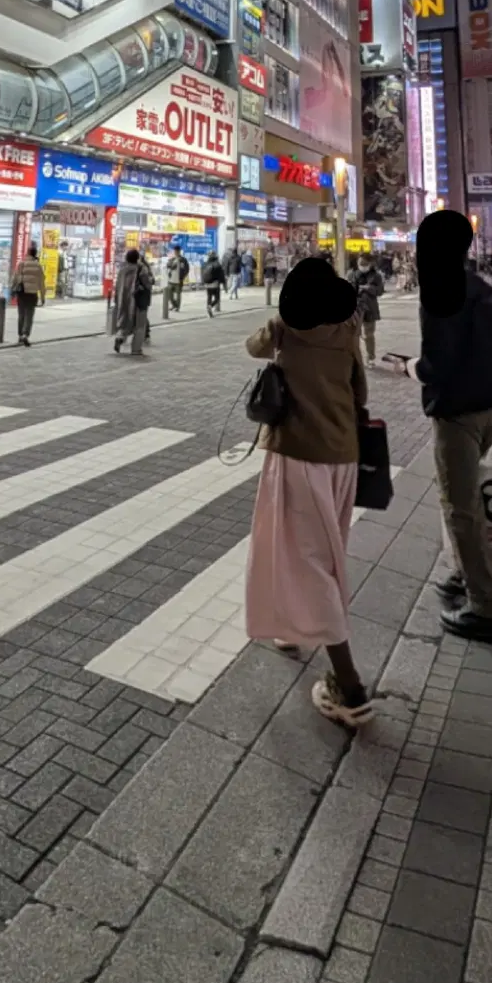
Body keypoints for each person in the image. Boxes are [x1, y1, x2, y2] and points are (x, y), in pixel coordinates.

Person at [243, 256, 373, 728]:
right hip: (343, 456)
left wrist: (281, 323)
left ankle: (349, 685)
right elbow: (360, 391)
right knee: (318, 551)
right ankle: (290, 626)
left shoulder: (285, 327)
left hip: (297, 455)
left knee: (303, 557)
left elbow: (251, 346)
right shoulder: (346, 329)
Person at [416, 209, 492, 645]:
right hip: (491, 409)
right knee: (466, 499)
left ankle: (486, 609)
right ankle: (463, 574)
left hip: (458, 414)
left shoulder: (440, 292)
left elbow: (437, 364)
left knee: (461, 510)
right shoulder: (481, 287)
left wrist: (411, 368)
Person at [113, 247, 153, 356]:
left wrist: (116, 299)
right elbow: (148, 284)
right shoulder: (140, 269)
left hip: (123, 300)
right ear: (137, 258)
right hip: (137, 300)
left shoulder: (122, 270)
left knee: (124, 322)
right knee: (139, 325)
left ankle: (120, 337)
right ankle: (136, 349)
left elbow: (117, 287)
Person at [10, 244, 45, 345]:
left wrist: (13, 290)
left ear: (28, 253)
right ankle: (26, 334)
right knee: (29, 315)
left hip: (22, 292)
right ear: (35, 254)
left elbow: (15, 278)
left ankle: (20, 335)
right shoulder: (38, 266)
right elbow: (41, 282)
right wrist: (42, 297)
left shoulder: (22, 264)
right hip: (32, 294)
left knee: (21, 314)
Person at [355, 258, 384, 365]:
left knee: (369, 335)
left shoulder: (376, 276)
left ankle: (370, 357)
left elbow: (380, 291)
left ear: (369, 265)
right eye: (361, 265)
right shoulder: (353, 274)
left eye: (365, 265)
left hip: (370, 309)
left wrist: (369, 288)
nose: (363, 267)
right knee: (354, 335)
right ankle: (355, 358)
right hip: (356, 309)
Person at [164, 245, 189, 316]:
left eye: (177, 251)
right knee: (169, 294)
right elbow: (167, 265)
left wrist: (183, 277)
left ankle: (177, 307)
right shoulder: (172, 259)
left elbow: (186, 269)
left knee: (178, 294)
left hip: (178, 280)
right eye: (175, 251)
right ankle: (174, 305)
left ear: (179, 251)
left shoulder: (183, 260)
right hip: (171, 280)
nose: (176, 252)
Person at [202, 250, 225, 315]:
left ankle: (209, 309)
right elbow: (221, 275)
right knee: (217, 298)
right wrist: (223, 283)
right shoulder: (217, 264)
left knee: (209, 297)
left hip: (207, 284)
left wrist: (203, 282)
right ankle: (210, 306)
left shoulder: (205, 264)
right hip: (215, 284)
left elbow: (202, 273)